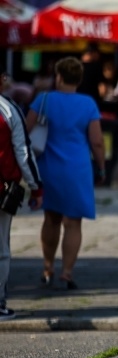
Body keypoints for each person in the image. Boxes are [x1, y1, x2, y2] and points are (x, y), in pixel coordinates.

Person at [25, 57, 105, 290]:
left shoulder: (44, 99)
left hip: (49, 168)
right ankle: (67, 273)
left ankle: (48, 267)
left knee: (51, 219)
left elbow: (25, 130)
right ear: (78, 79)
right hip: (78, 170)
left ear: (58, 77)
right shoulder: (88, 104)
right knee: (73, 223)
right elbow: (97, 142)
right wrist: (100, 167)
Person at [0, 93, 42, 320]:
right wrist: (36, 187)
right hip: (2, 187)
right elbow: (23, 152)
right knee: (1, 252)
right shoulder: (7, 109)